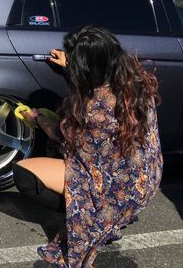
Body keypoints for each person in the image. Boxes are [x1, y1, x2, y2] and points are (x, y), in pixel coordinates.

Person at [13, 25, 163, 267]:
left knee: (26, 173)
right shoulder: (133, 79)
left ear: (88, 68)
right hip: (146, 178)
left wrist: (37, 119)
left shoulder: (95, 107)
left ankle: (99, 213)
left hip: (118, 189)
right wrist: (71, 62)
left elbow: (63, 139)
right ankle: (116, 215)